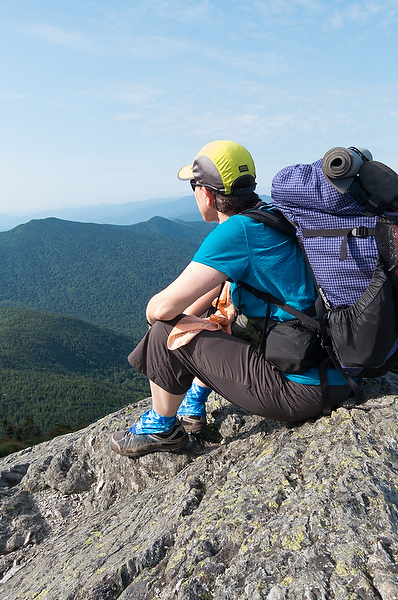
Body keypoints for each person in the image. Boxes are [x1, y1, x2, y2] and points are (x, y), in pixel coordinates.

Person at [110, 140, 352, 458]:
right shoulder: (269, 216)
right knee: (213, 314)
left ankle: (161, 427)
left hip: (304, 390)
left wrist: (175, 322)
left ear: (207, 193)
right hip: (333, 369)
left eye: (194, 186)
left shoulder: (237, 232)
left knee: (165, 331)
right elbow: (206, 298)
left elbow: (160, 309)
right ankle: (194, 404)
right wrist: (194, 320)